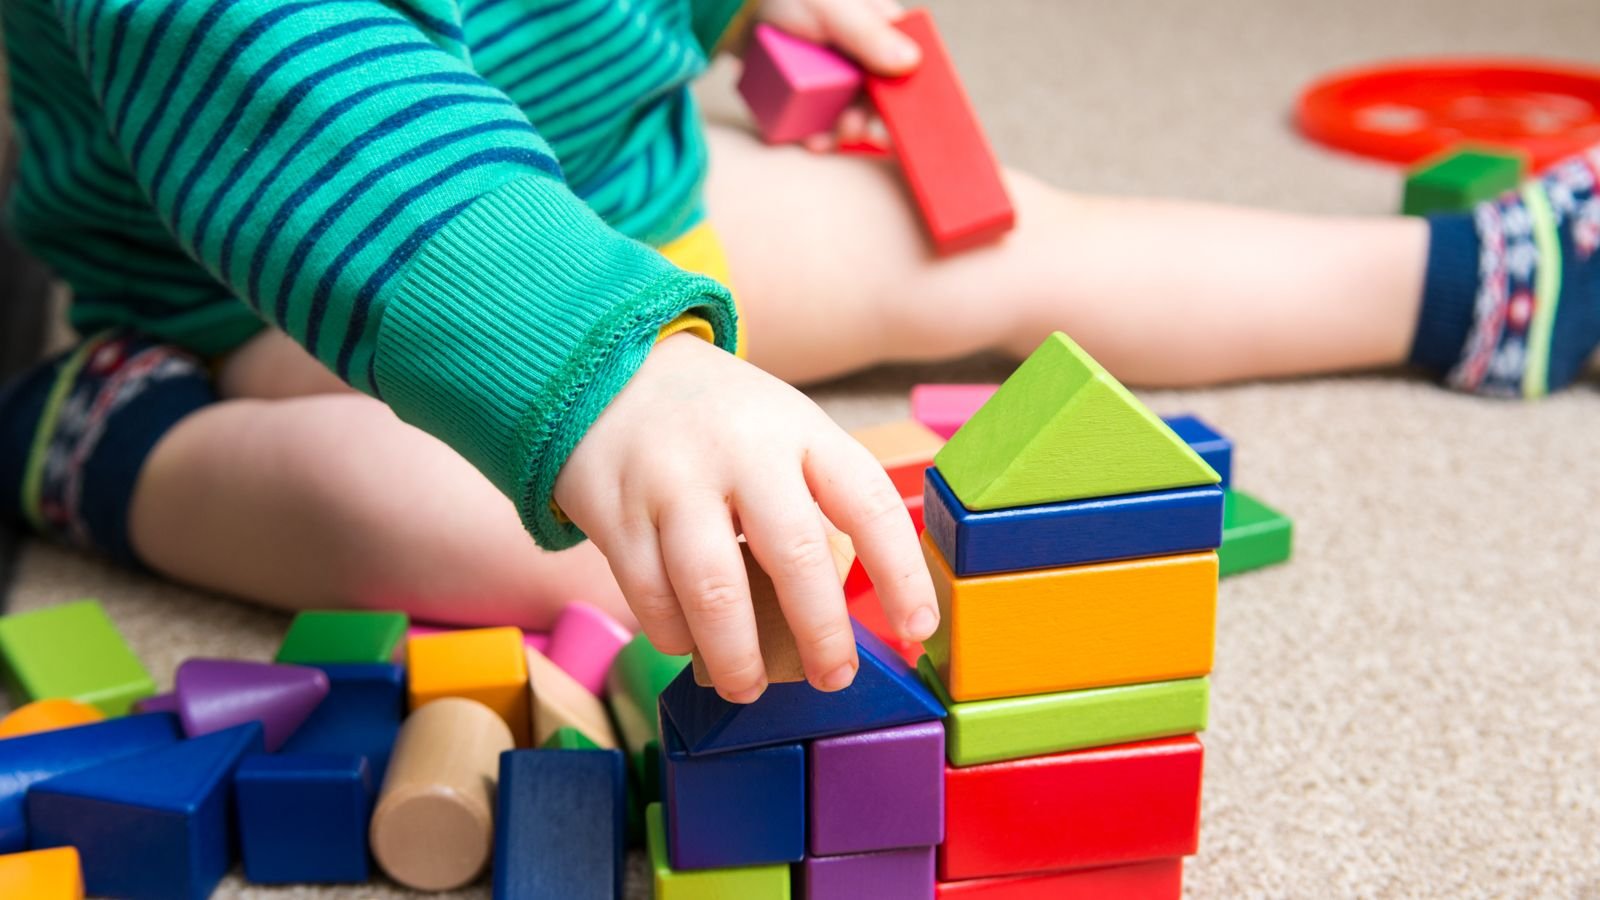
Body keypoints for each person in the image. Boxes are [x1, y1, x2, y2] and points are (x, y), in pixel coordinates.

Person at [0, 0, 1594, 706]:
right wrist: (605, 374)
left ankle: (1467, 288)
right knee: (466, 523)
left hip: (634, 197)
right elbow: (293, 85)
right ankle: (118, 441)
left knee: (983, 233)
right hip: (316, 286)